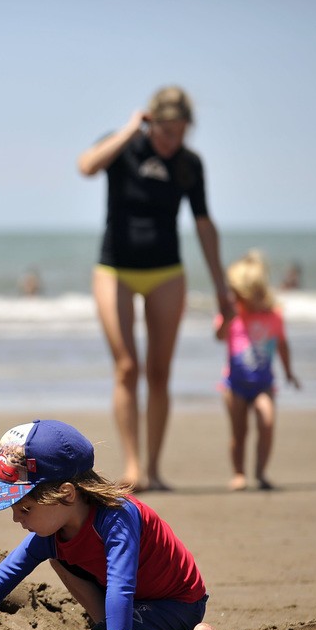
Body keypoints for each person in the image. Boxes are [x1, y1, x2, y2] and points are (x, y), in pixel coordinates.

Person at [0, 420, 246, 630]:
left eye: (25, 509)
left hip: (177, 604)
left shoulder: (116, 517)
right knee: (59, 559)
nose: (16, 519)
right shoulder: (51, 534)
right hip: (138, 600)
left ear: (66, 494)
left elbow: (121, 587)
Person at [77, 86, 231, 491]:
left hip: (166, 273)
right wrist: (130, 130)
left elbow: (203, 224)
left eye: (180, 133)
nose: (171, 140)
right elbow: (86, 166)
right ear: (151, 122)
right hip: (115, 271)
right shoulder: (123, 147)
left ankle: (155, 469)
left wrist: (222, 289)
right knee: (128, 367)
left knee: (159, 373)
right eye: (165, 132)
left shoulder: (189, 164)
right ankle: (133, 467)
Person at [215, 250, 301, 491]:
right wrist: (227, 319)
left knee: (267, 422)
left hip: (264, 384)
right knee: (239, 432)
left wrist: (289, 372)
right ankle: (239, 473)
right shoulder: (233, 316)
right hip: (234, 384)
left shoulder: (273, 316)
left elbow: (282, 345)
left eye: (237, 294)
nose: (233, 297)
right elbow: (219, 336)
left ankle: (261, 471)